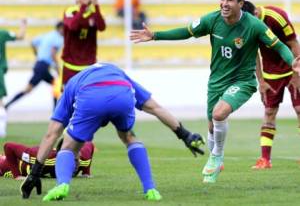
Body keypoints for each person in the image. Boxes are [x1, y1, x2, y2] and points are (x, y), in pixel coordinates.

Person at [130, 0, 300, 183]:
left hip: (243, 81)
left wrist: (293, 62)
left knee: (219, 114)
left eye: (229, 0)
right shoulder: (212, 20)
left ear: (240, 3)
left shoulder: (254, 25)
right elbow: (186, 32)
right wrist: (155, 36)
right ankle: (215, 157)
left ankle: (217, 157)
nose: (224, 3)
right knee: (212, 126)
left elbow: (280, 46)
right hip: (216, 81)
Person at [20, 63, 205, 201]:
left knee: (68, 143)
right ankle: (150, 189)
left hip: (90, 96)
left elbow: (51, 134)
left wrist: (35, 173)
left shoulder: (71, 85)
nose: (78, 164)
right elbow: (155, 108)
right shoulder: (119, 73)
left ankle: (62, 186)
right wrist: (184, 134)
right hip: (121, 92)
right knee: (128, 136)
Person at [242, 1, 300, 169]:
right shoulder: (246, 26)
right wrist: (261, 81)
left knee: (299, 110)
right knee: (269, 112)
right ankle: (265, 159)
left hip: (291, 70)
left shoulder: (277, 16)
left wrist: (297, 75)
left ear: (255, 13)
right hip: (270, 75)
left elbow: (293, 44)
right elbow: (254, 55)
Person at [5, 21, 64, 110]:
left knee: (55, 85)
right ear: (61, 29)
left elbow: (33, 42)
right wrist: (58, 68)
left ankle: (7, 105)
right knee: (55, 85)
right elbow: (53, 53)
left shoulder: (47, 35)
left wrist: (37, 54)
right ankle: (55, 112)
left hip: (39, 65)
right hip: (43, 67)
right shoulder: (58, 39)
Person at [61, 0, 106, 88]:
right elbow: (73, 26)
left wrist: (97, 6)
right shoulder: (70, 11)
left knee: (88, 97)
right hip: (70, 64)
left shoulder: (94, 13)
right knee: (67, 98)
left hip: (88, 65)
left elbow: (102, 27)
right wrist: (83, 7)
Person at [0, 140, 94, 179]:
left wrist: (86, 173)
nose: (76, 165)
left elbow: (90, 144)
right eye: (71, 161)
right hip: (17, 164)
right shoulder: (42, 158)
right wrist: (17, 176)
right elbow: (9, 146)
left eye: (76, 160)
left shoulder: (83, 157)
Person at [0, 19, 27, 137]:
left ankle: (1, 130)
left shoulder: (2, 34)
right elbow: (20, 36)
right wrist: (23, 25)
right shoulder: (2, 33)